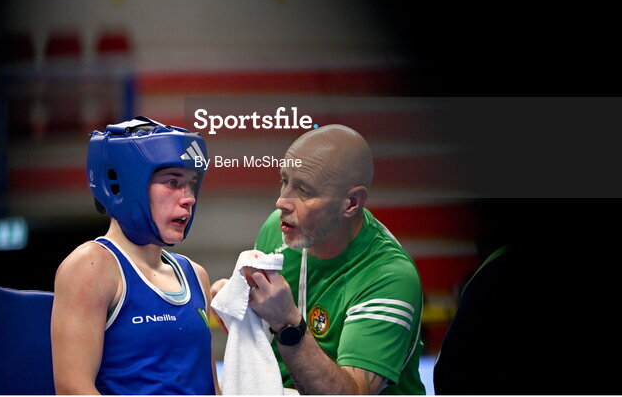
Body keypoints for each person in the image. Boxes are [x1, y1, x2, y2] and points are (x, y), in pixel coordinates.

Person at [214, 124, 425, 394]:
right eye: (284, 180)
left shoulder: (389, 276)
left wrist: (287, 322)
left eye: (304, 190)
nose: (281, 201)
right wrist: (239, 305)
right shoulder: (278, 230)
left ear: (350, 203)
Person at [51, 117, 218, 395]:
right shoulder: (92, 266)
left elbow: (211, 387)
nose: (188, 197)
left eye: (191, 183)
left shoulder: (195, 274)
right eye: (172, 182)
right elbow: (73, 390)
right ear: (125, 186)